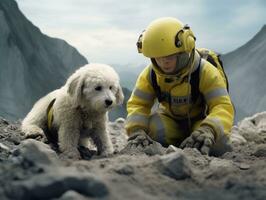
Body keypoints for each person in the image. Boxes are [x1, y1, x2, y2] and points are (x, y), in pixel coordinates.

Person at [125, 17, 234, 155]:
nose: (164, 62)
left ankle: (195, 139)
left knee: (218, 144)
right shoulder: (150, 75)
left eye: (170, 55)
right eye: (159, 56)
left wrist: (209, 129)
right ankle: (182, 144)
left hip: (201, 121)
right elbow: (138, 104)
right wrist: (136, 131)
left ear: (184, 49)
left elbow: (222, 105)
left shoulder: (205, 71)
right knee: (153, 130)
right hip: (169, 121)